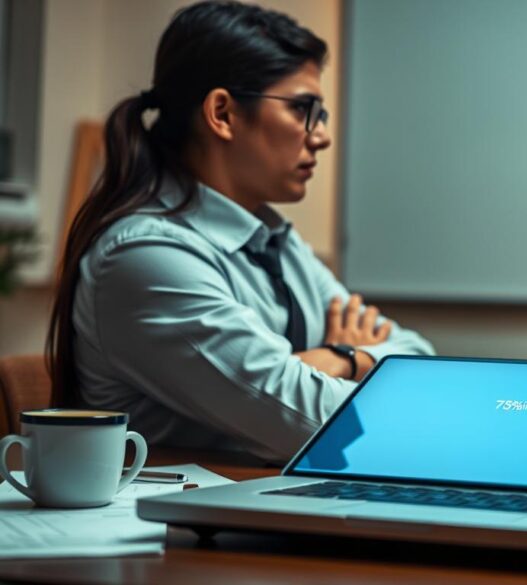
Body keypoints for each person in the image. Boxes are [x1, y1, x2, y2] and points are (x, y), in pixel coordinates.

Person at [46, 1, 434, 463]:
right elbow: (325, 427)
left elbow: (421, 362)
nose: (322, 136)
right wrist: (352, 362)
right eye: (303, 109)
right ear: (223, 113)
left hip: (274, 499)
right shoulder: (145, 256)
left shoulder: (275, 241)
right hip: (187, 510)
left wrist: (340, 356)